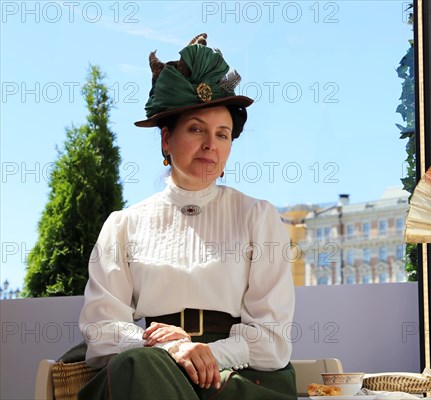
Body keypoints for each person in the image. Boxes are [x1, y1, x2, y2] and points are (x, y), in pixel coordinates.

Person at [78, 33, 297, 399]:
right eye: (197, 129)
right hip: (150, 368)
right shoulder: (123, 225)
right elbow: (101, 330)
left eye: (223, 134)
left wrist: (207, 354)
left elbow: (272, 340)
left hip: (239, 378)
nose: (211, 144)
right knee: (139, 368)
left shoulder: (258, 218)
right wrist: (168, 348)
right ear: (166, 140)